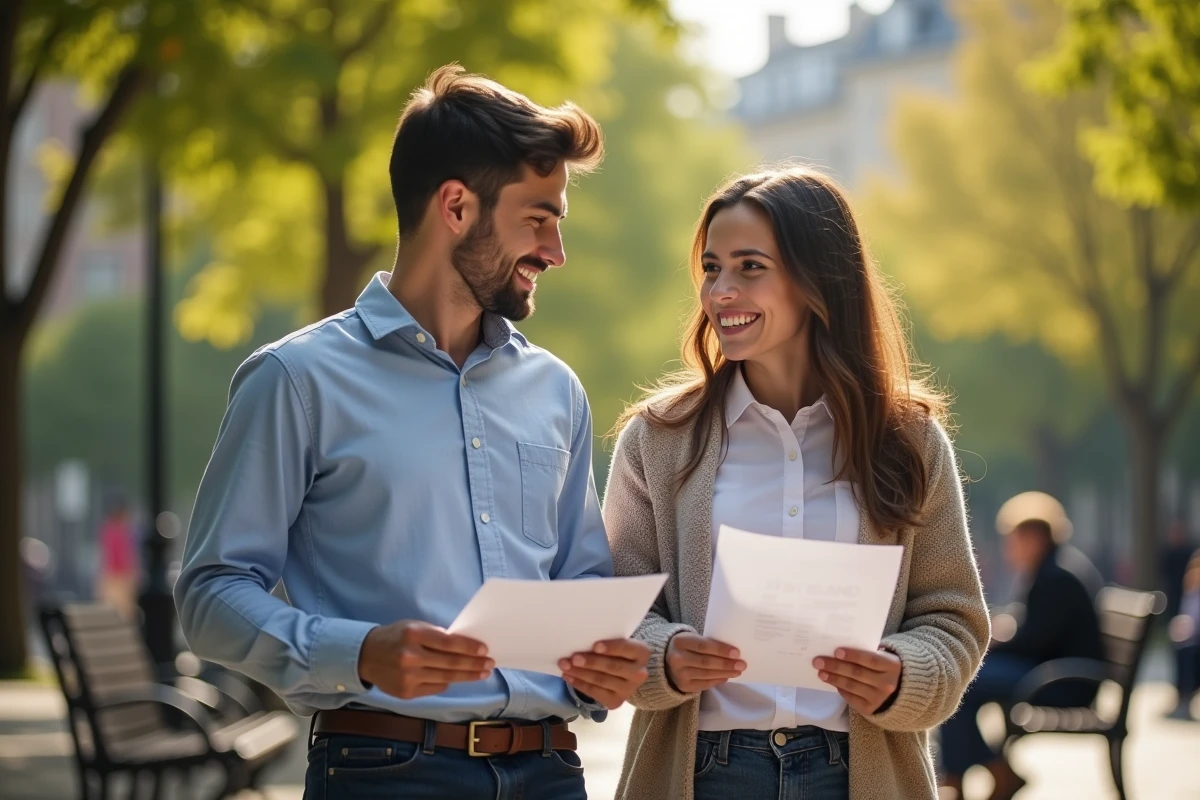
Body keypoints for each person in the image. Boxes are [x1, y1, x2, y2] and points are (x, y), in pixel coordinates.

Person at [174, 65, 650, 800]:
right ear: (456, 206)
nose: (556, 252)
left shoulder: (555, 388)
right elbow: (209, 594)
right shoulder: (296, 379)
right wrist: (358, 652)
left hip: (552, 772)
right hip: (387, 772)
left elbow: (579, 582)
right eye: (538, 219)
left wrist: (603, 663)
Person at [603, 167, 990, 800]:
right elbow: (617, 607)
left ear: (819, 280)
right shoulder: (657, 439)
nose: (721, 291)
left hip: (856, 775)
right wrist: (666, 657)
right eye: (711, 268)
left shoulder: (909, 441)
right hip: (703, 773)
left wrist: (901, 675)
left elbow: (954, 619)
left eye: (749, 267)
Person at [938, 499, 1105, 800]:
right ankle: (965, 775)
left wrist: (992, 642)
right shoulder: (1054, 567)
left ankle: (993, 772)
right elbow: (1039, 630)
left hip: (1065, 683)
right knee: (963, 678)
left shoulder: (1056, 577)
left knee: (961, 682)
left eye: (1012, 541)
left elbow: (1036, 640)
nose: (1008, 549)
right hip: (1052, 671)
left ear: (1033, 538)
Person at [1167, 550, 1200, 720]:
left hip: (1196, 639)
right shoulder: (1191, 592)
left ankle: (1185, 698)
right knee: (1181, 646)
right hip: (1191, 637)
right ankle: (1182, 698)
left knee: (1188, 652)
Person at [96, 494, 138, 618]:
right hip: (116, 576)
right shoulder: (115, 530)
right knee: (117, 611)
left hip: (120, 576)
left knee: (123, 612)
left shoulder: (123, 530)